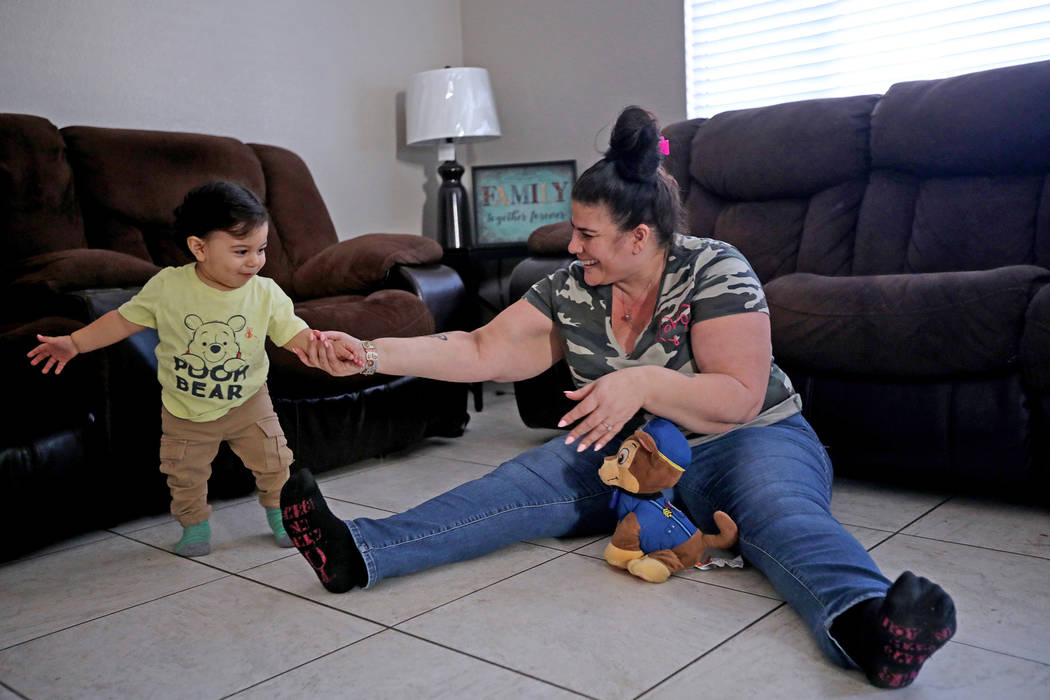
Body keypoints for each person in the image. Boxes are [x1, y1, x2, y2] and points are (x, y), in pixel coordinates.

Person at [283, 107, 956, 689]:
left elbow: (740, 398)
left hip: (745, 440)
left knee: (783, 517)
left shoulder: (714, 267)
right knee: (510, 486)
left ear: (640, 236)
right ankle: (359, 553)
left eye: (587, 235)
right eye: (572, 232)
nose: (571, 247)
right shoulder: (571, 288)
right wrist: (368, 354)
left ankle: (871, 629)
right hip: (627, 454)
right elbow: (480, 349)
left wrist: (639, 381)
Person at [28, 181, 315, 557]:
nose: (255, 261)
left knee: (276, 461)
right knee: (184, 474)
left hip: (249, 402)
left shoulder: (266, 292)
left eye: (261, 249)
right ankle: (194, 527)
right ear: (199, 247)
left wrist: (317, 345)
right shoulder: (169, 287)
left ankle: (281, 516)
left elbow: (292, 332)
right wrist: (76, 342)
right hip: (185, 407)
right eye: (241, 251)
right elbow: (122, 320)